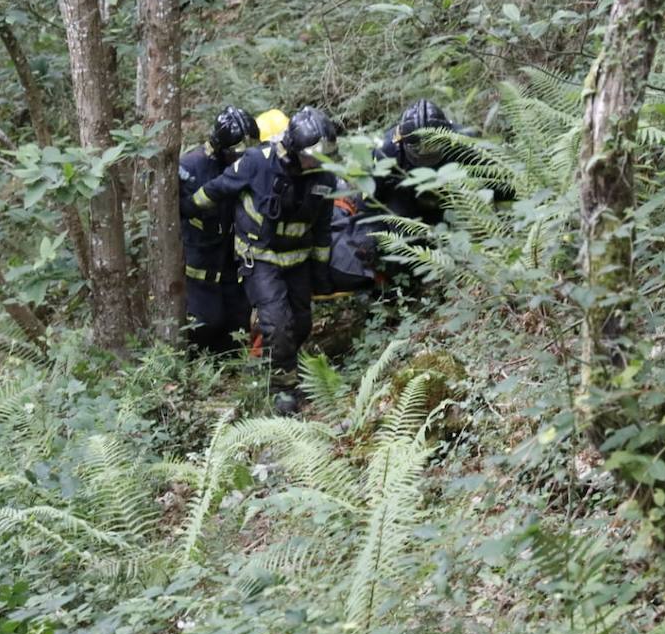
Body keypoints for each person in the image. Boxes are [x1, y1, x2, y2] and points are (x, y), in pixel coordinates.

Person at [183, 106, 339, 414]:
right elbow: (216, 189)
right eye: (312, 156)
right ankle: (283, 391)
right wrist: (188, 207)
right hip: (260, 259)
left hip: (297, 261)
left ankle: (269, 366)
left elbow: (322, 229)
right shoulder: (257, 163)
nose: (317, 162)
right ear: (294, 150)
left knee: (300, 323)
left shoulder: (324, 179)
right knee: (277, 324)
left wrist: (321, 272)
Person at [178, 106, 259, 354]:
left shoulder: (251, 167)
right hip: (199, 273)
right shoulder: (190, 169)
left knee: (237, 332)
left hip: (233, 271)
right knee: (205, 327)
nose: (242, 159)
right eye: (237, 154)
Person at [372, 98, 511, 226]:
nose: (424, 153)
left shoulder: (465, 141)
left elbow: (500, 182)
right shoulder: (386, 151)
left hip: (452, 195)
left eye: (432, 146)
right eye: (418, 148)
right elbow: (369, 200)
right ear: (404, 142)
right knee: (399, 220)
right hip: (407, 199)